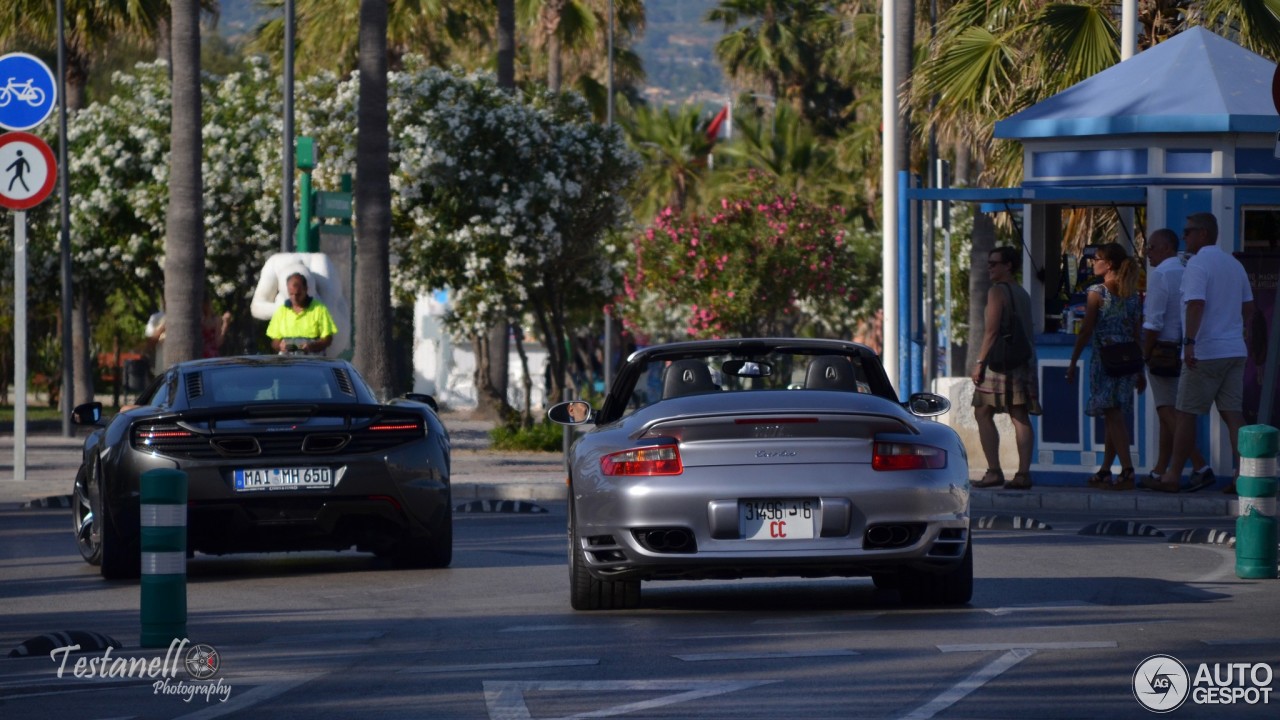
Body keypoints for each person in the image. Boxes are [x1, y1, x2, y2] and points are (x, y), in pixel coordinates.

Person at [1148, 213, 1254, 495]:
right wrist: (1241, 331)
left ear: (1203, 234)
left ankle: (1172, 475)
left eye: (1188, 232)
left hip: (1206, 352)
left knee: (1185, 414)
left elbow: (1195, 304)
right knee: (1233, 416)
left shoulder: (1197, 264)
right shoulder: (1234, 264)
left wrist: (1190, 342)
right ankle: (1242, 476)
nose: (1184, 238)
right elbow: (1248, 305)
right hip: (1234, 350)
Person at [1067, 242, 1146, 490]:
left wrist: (1072, 362)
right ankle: (1104, 470)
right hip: (1127, 362)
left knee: (1112, 415)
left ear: (1108, 264)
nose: (1093, 262)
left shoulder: (1097, 293)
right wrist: (1139, 369)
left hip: (1105, 361)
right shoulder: (1133, 296)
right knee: (1114, 415)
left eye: (1096, 258)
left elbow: (1086, 331)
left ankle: (1127, 470)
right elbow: (1136, 335)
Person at [1140, 229, 1212, 489]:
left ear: (1167, 248)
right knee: (1170, 411)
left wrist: (1145, 354)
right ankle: (1161, 469)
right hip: (1185, 349)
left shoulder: (1161, 275)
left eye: (1152, 247)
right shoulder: (1185, 270)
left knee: (1166, 411)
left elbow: (1153, 322)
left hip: (1163, 351)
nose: (1148, 252)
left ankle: (1200, 464)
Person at [970, 246, 1041, 490]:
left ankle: (994, 471)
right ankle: (1023, 474)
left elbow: (991, 330)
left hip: (1001, 362)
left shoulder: (996, 291)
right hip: (1023, 359)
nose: (989, 267)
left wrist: (979, 362)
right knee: (1019, 415)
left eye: (994, 263)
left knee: (982, 412)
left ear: (1008, 265)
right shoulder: (1022, 292)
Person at [265, 272, 338, 354]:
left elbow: (327, 339)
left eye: (298, 294)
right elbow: (274, 342)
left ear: (306, 289)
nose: (294, 298)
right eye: (291, 294)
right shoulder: (281, 311)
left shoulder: (319, 309)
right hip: (288, 360)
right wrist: (280, 346)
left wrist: (312, 346)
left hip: (312, 360)